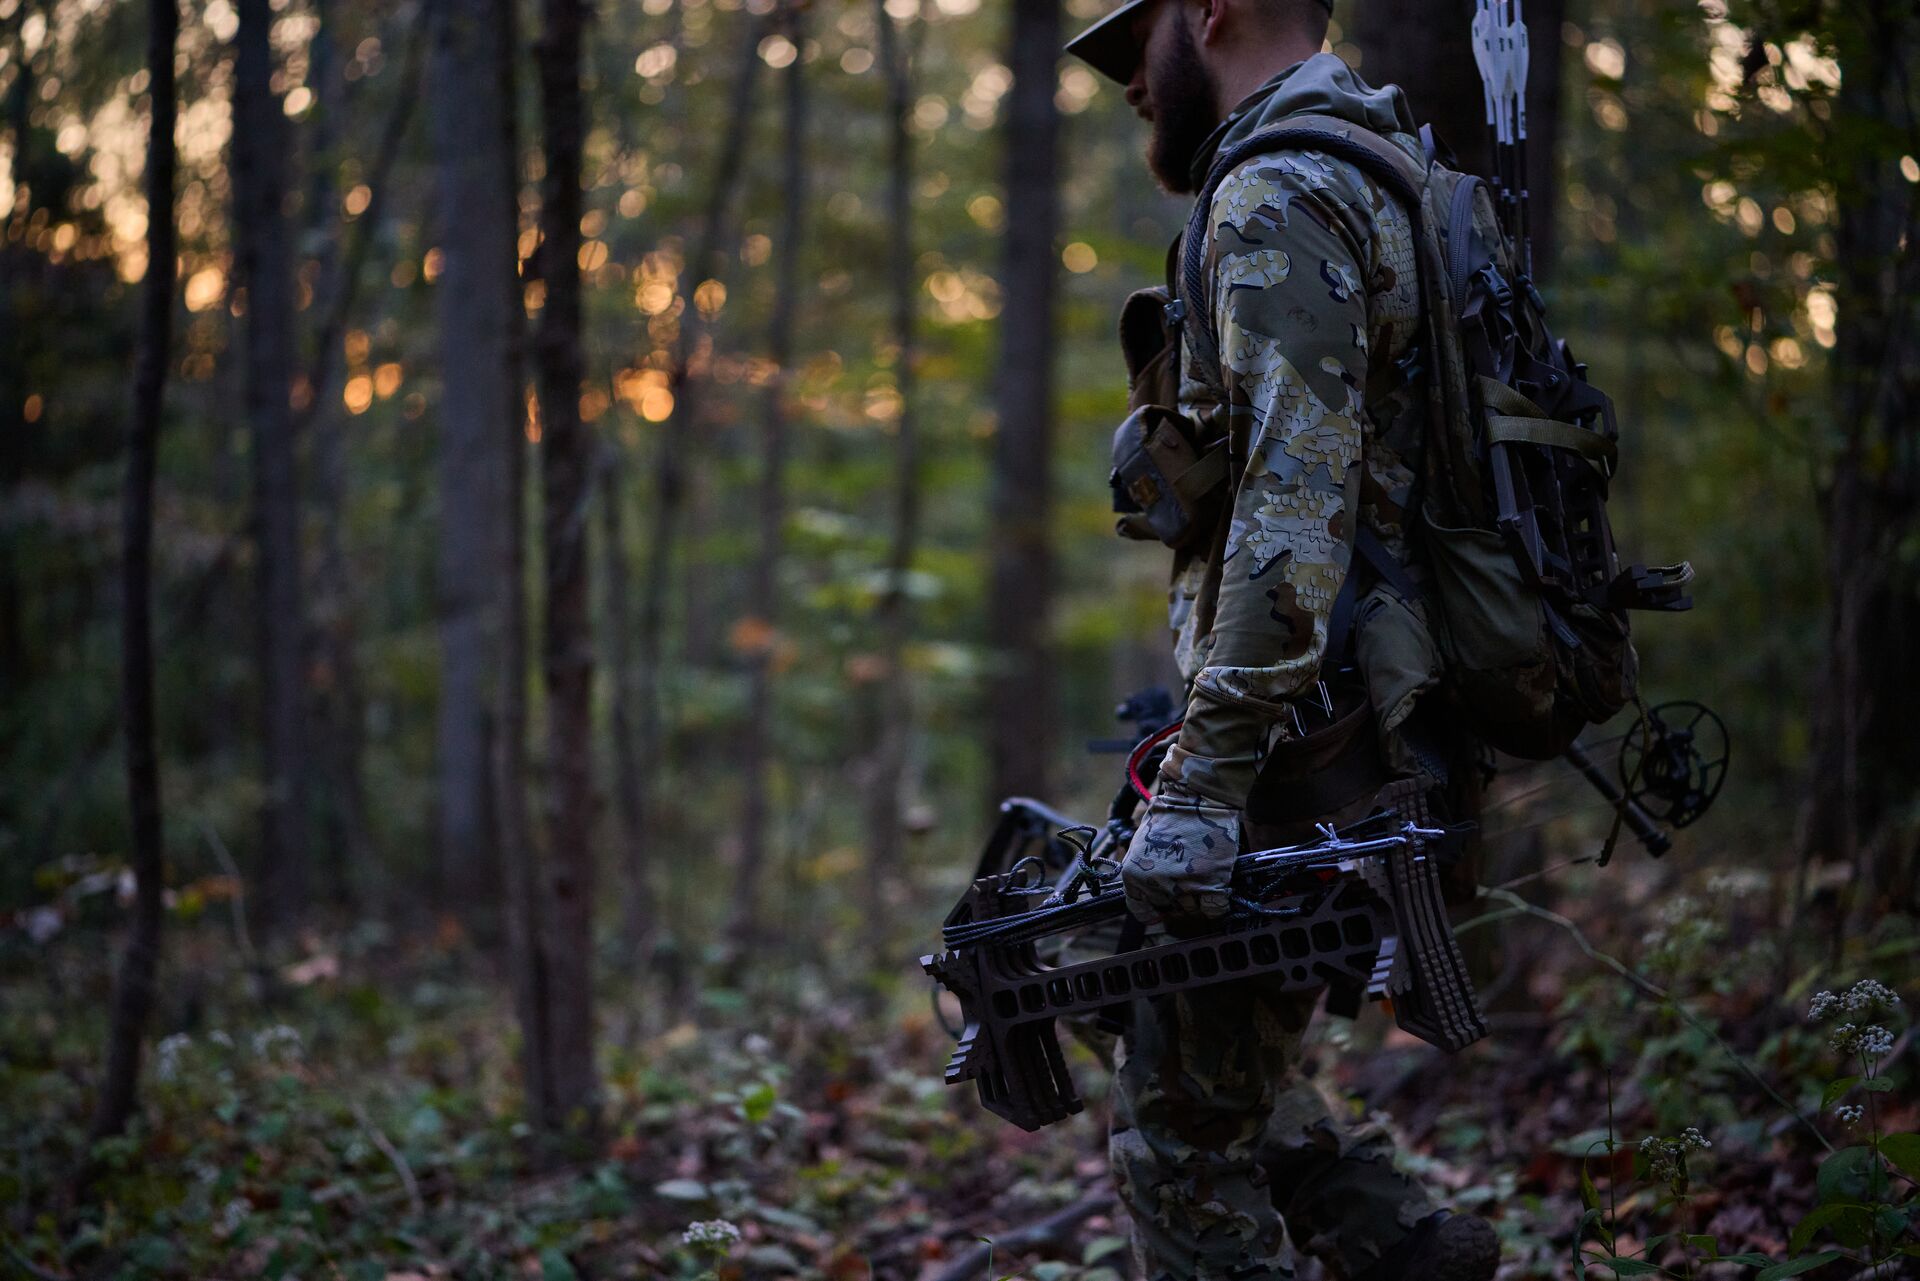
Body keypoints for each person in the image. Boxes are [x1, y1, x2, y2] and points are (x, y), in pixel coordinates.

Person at [1065, 1, 1503, 1277]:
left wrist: (1204, 781)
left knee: (1180, 1148)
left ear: (1207, 10)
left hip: (1309, 738)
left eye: (1134, 39)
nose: (1129, 83)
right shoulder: (1383, 160)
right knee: (1105, 970)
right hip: (1359, 707)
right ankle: (1411, 1246)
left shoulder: (1279, 190)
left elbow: (1294, 497)